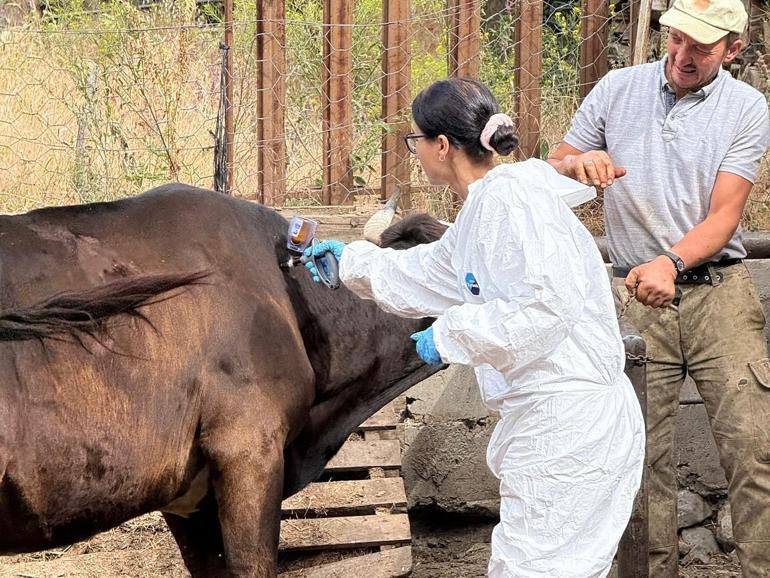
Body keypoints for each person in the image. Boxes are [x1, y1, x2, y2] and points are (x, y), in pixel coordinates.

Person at [305, 78, 645, 577]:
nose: (415, 151)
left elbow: (545, 308)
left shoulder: (512, 203)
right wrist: (353, 262)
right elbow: (430, 272)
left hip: (568, 423)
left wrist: (450, 336)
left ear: (441, 146)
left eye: (415, 140)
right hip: (553, 420)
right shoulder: (487, 207)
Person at [546, 0, 770, 574]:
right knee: (641, 458)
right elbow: (557, 161)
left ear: (732, 49)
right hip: (633, 295)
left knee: (754, 450)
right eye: (676, 39)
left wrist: (669, 261)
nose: (682, 55)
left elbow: (725, 216)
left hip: (719, 292)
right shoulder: (618, 87)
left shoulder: (747, 108)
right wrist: (580, 163)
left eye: (701, 46)